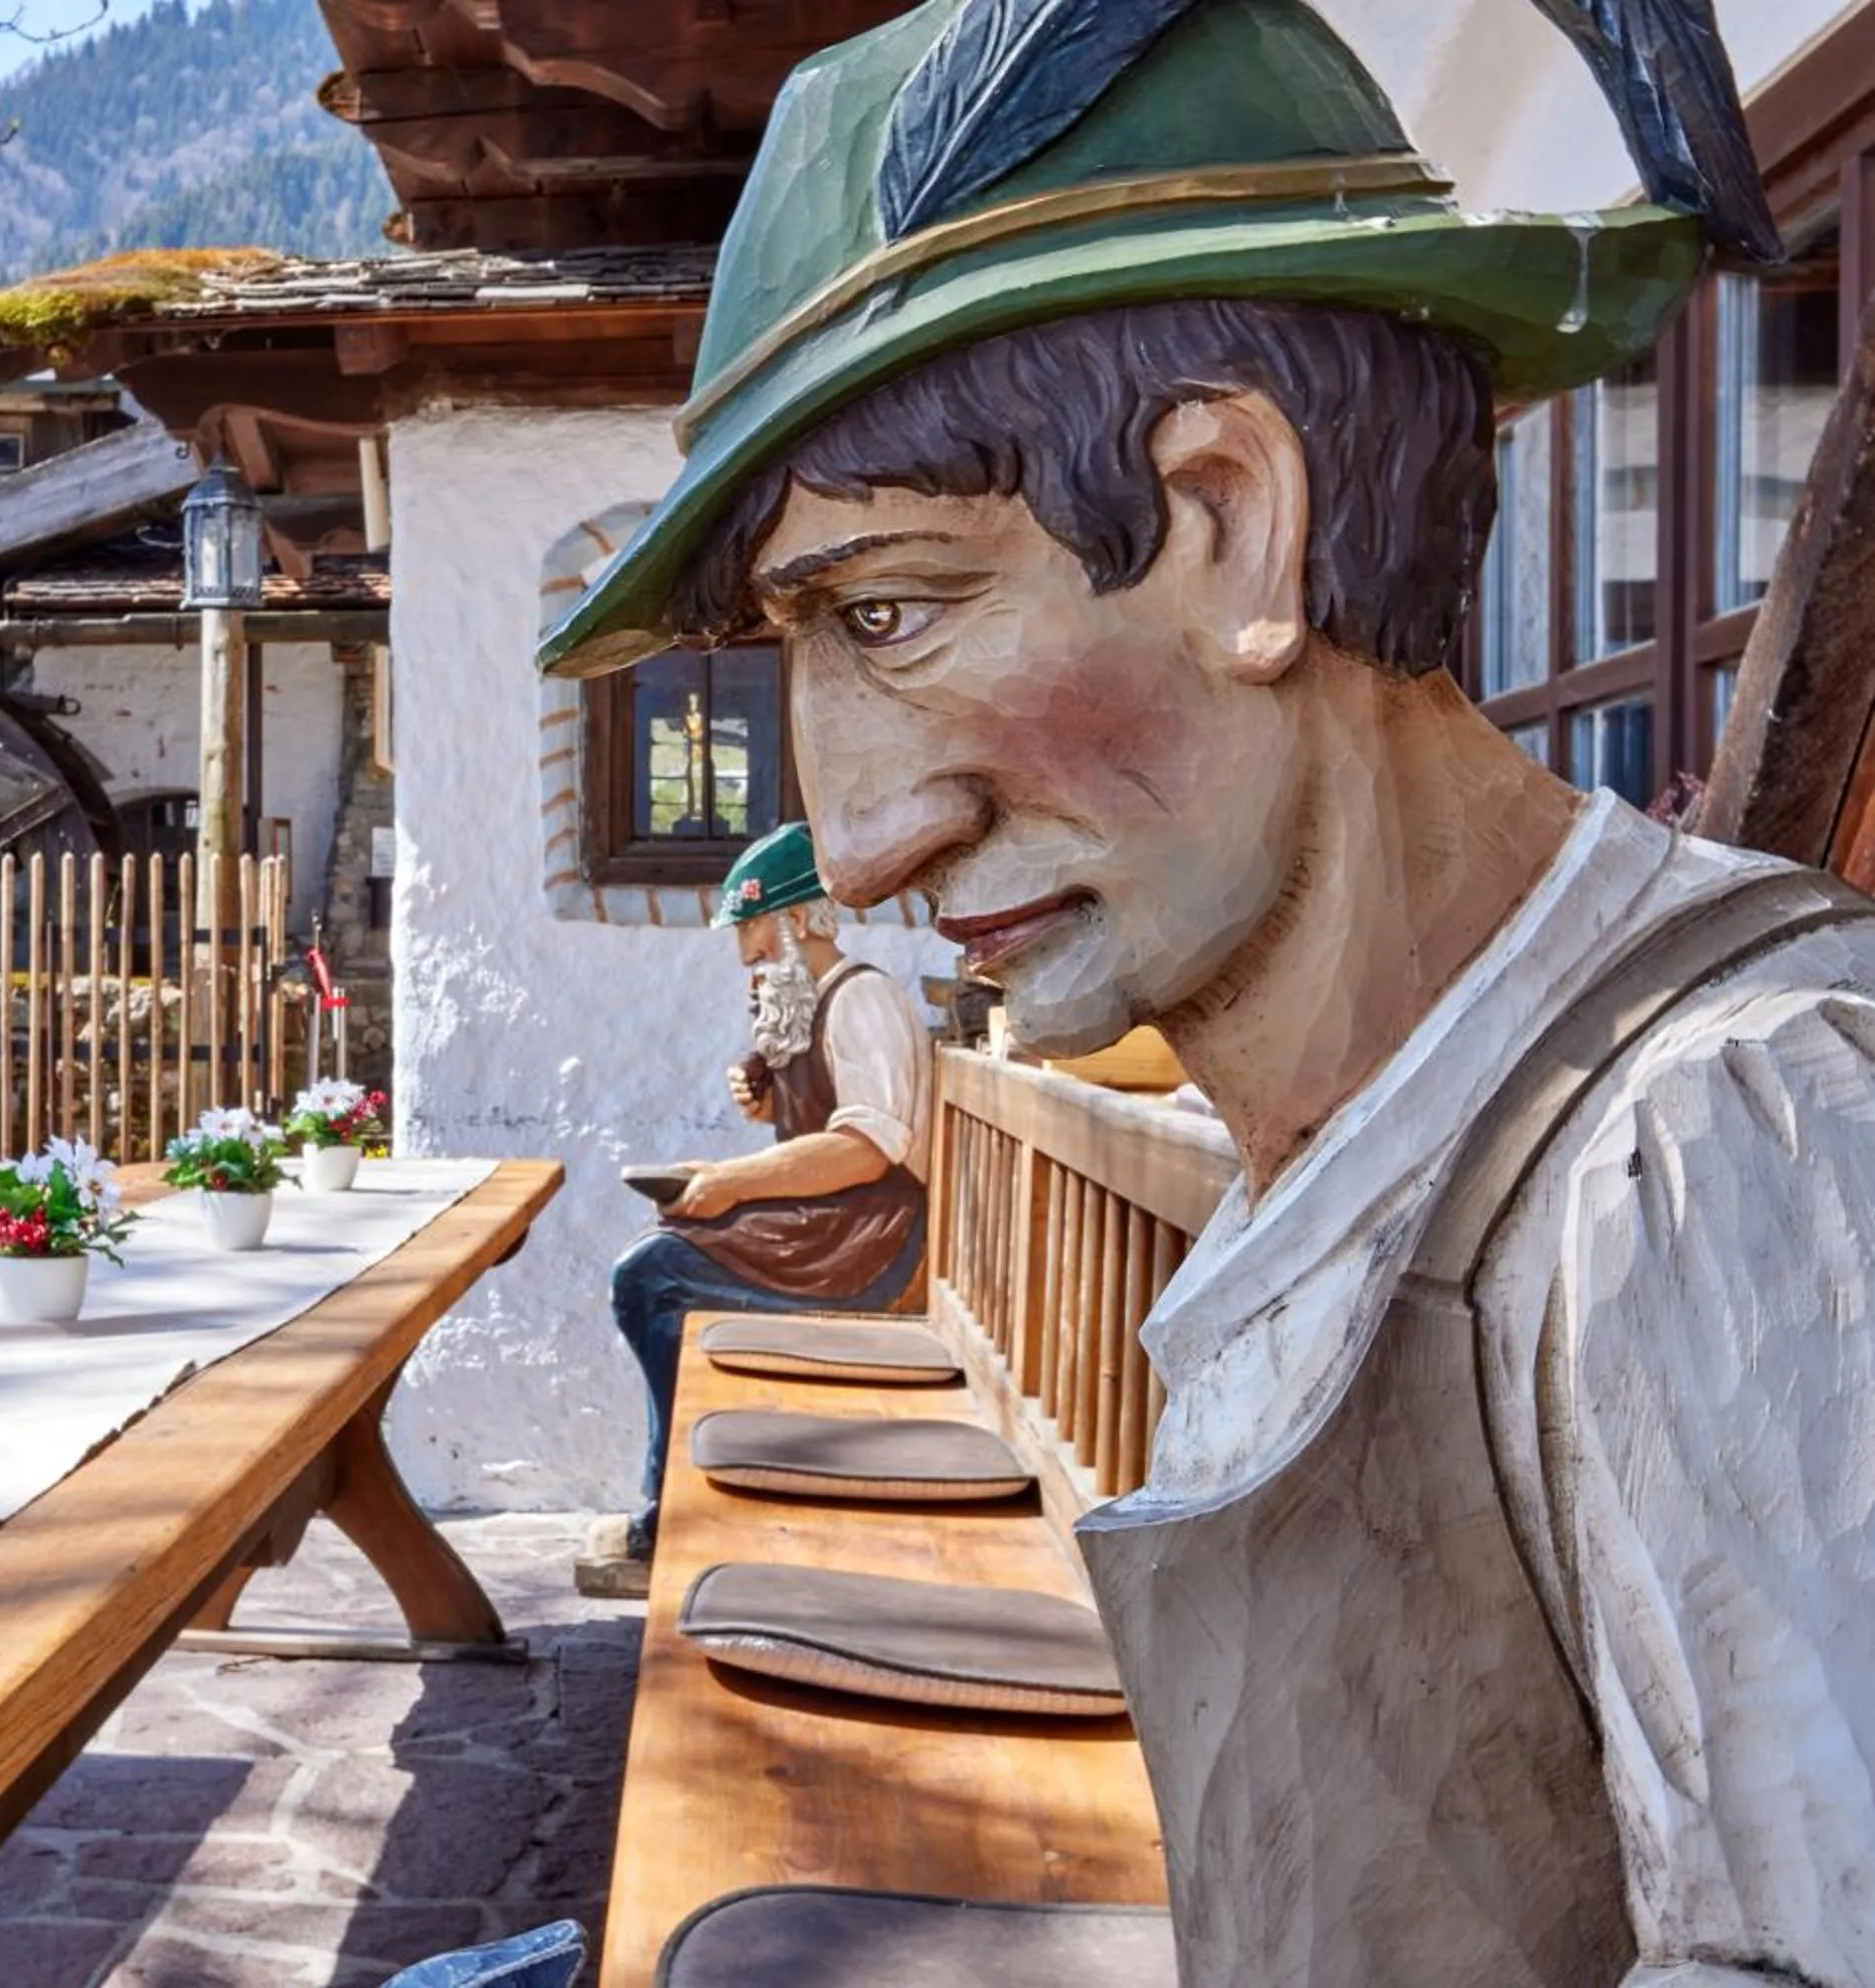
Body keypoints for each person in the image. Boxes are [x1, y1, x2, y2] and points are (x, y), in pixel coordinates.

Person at [539, 0, 1875, 1980]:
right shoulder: (1372, 1127)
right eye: (799, 648)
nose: (866, 840)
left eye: (895, 609)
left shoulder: (1731, 1145)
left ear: (1237, 518)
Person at [585, 822, 933, 1595]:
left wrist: (738, 1181)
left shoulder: (863, 998)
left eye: (756, 935)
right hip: (832, 1228)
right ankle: (685, 1490)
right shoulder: (813, 1005)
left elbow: (864, 1150)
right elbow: (815, 1117)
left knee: (654, 1275)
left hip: (867, 1245)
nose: (748, 956)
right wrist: (763, 1096)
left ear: (803, 920)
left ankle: (678, 1503)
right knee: (668, 1243)